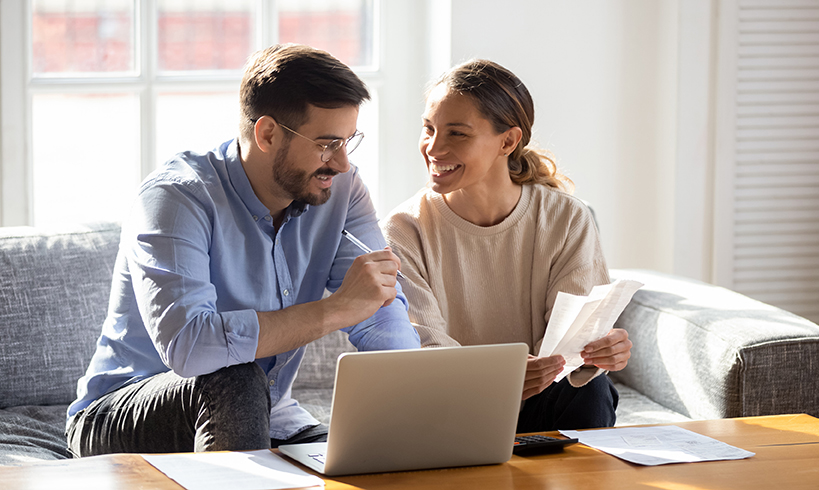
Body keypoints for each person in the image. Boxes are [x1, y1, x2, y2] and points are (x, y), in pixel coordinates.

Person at [66, 44, 420, 457]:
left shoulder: (340, 189)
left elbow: (379, 305)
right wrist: (335, 309)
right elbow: (190, 346)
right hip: (121, 412)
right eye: (327, 144)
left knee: (376, 458)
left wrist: (415, 396)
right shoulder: (177, 198)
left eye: (348, 141)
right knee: (234, 377)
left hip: (269, 414)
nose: (341, 163)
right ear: (267, 133)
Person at [381, 59, 632, 432]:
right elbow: (423, 349)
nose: (434, 147)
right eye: (428, 128)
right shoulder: (404, 230)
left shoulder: (566, 218)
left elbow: (570, 345)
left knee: (591, 392)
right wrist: (501, 378)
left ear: (508, 141)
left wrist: (599, 352)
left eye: (457, 134)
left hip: (542, 396)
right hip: (451, 404)